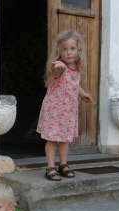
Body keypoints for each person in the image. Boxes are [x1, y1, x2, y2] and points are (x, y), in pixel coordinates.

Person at [36, 29, 93, 181]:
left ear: (78, 49)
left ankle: (63, 164)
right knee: (52, 139)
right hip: (54, 109)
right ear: (59, 51)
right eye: (64, 49)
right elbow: (57, 74)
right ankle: (50, 166)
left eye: (72, 49)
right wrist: (58, 69)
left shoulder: (77, 67)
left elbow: (75, 84)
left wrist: (82, 93)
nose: (68, 53)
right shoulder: (59, 66)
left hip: (68, 111)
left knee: (65, 139)